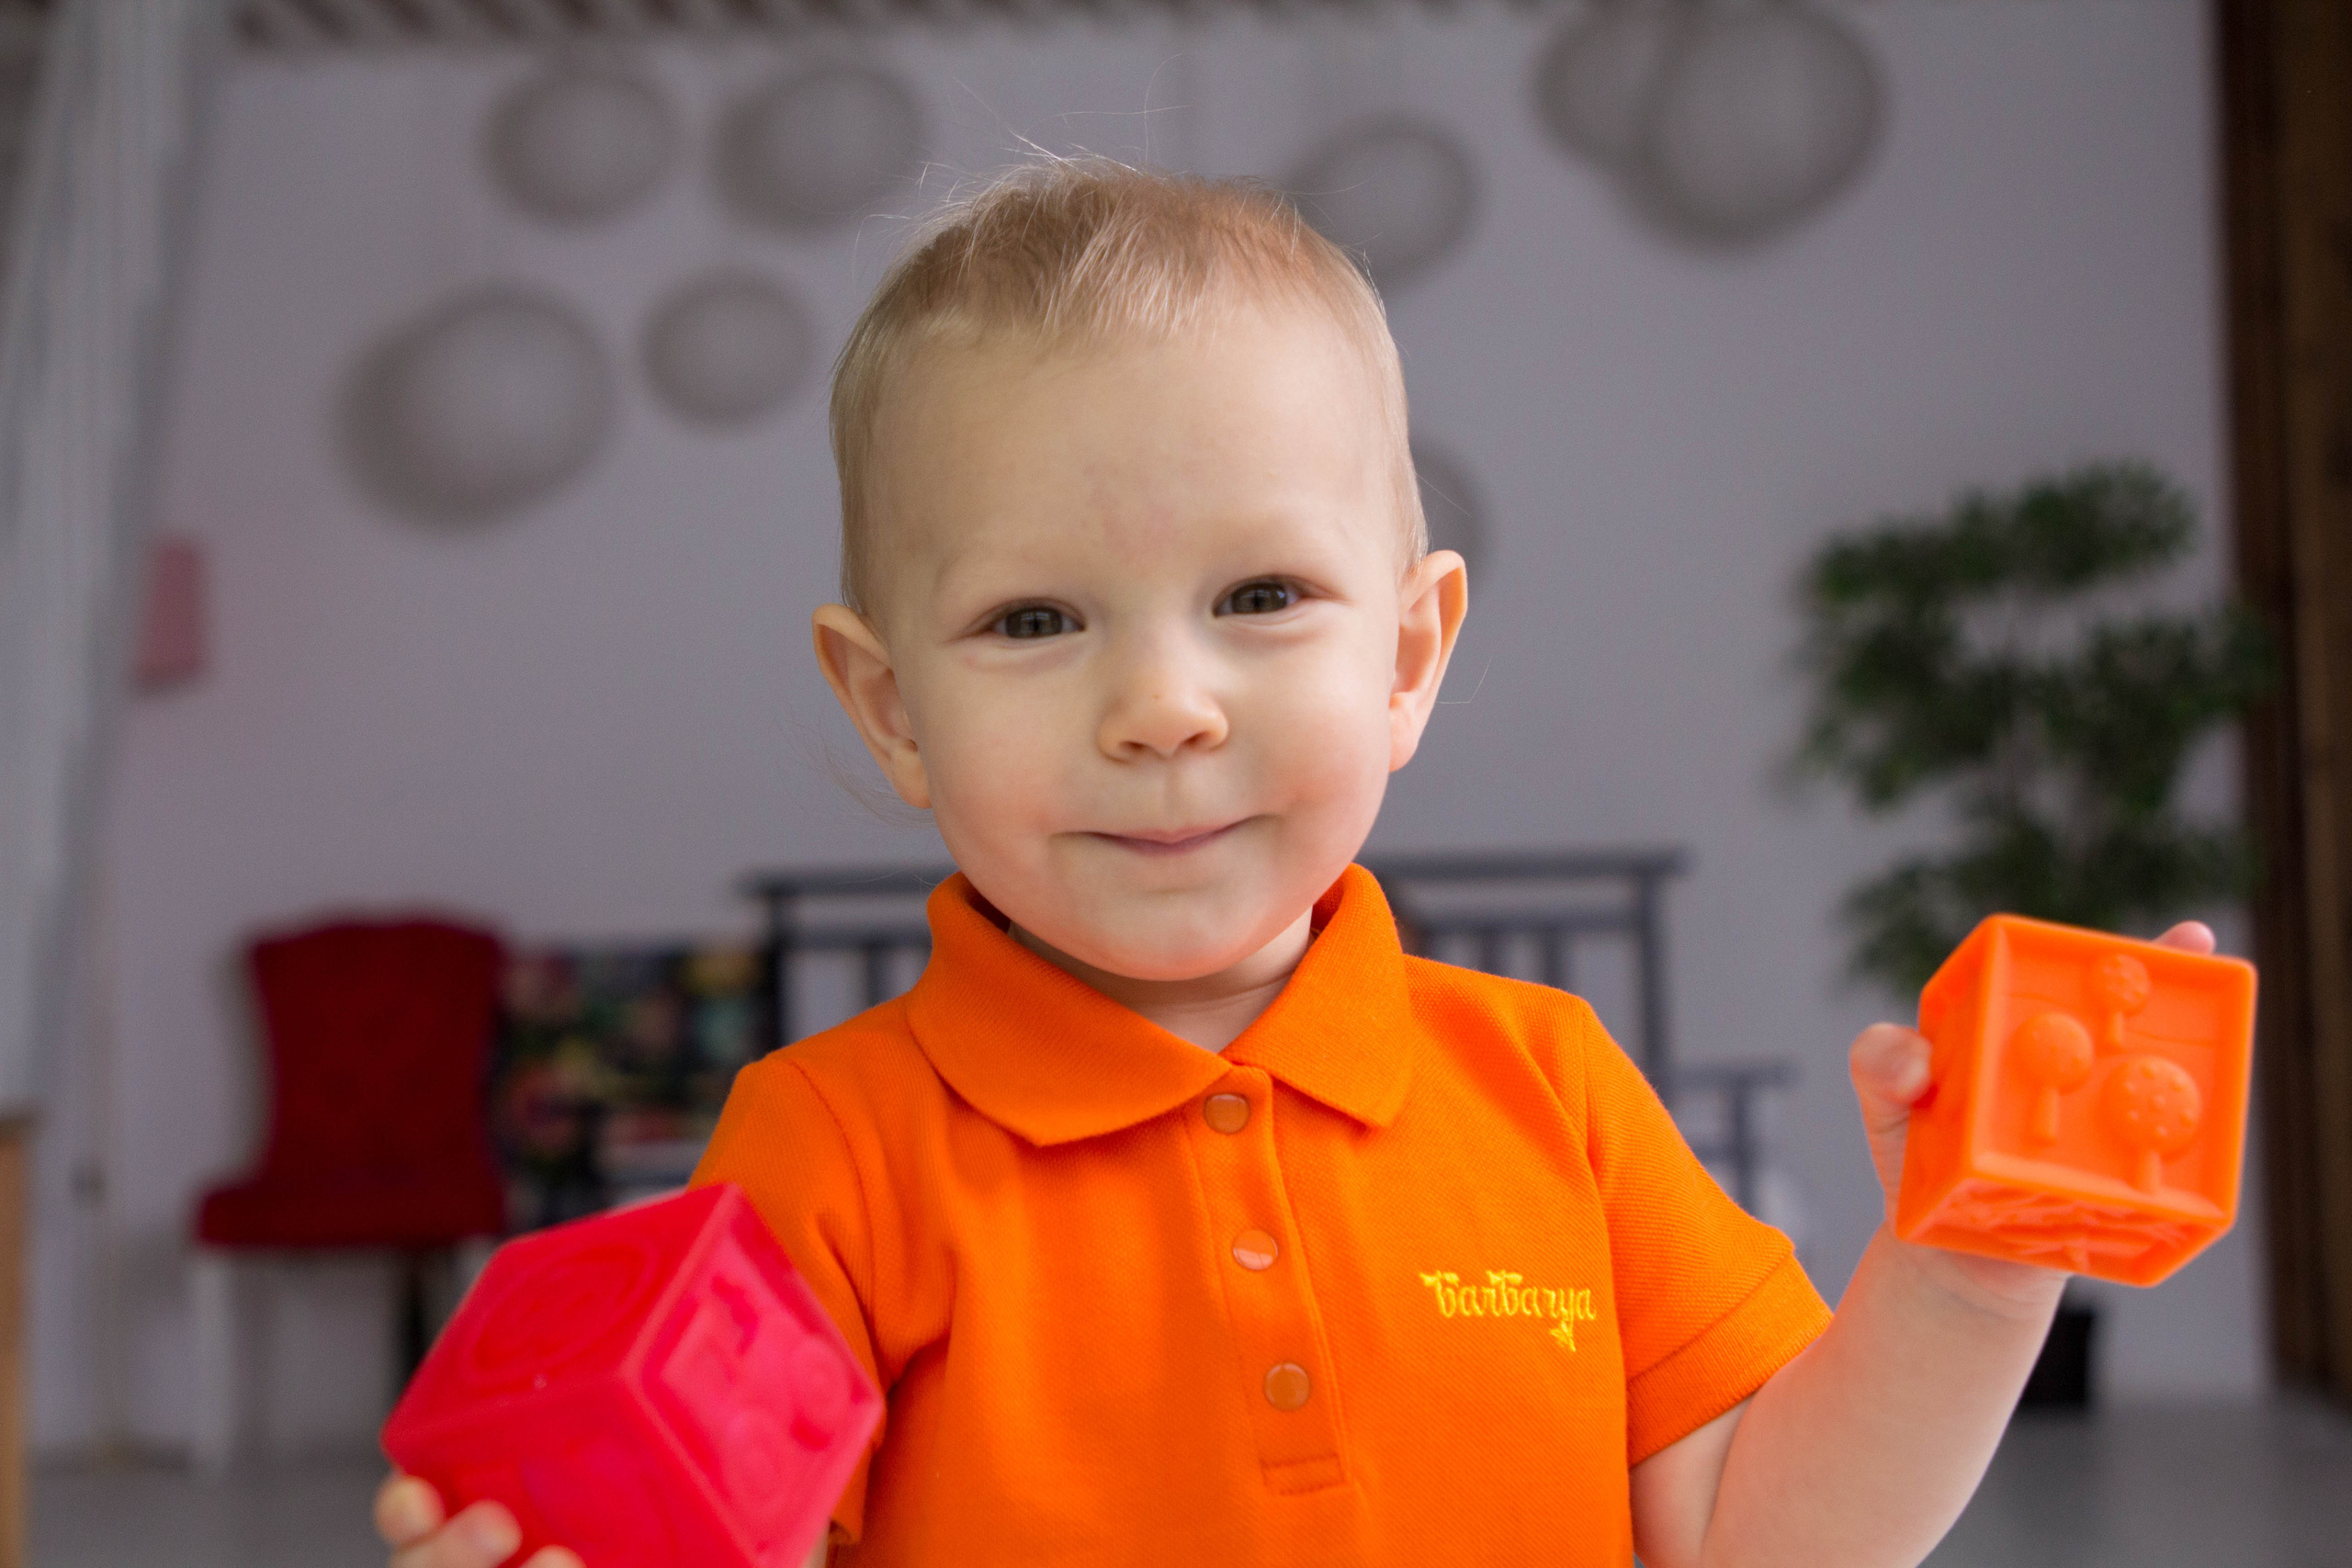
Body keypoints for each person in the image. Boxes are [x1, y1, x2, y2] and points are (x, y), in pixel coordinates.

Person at [376, 160, 2217, 1568]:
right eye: (1032, 617)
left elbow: (1762, 1530)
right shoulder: (829, 1147)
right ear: (890, 706)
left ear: (1406, 655)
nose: (1163, 704)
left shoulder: (1548, 1089)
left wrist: (1968, 1279)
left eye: (1259, 596)